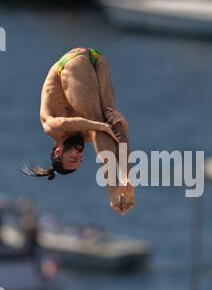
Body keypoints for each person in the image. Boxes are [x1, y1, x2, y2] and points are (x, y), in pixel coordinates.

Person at [23, 47, 134, 215]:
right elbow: (116, 134)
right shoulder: (87, 136)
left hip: (72, 64)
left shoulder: (49, 127)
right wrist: (122, 121)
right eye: (80, 159)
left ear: (58, 151)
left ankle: (112, 190)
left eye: (73, 157)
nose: (80, 154)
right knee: (113, 120)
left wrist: (101, 126)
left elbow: (66, 122)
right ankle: (127, 179)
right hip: (98, 61)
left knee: (98, 122)